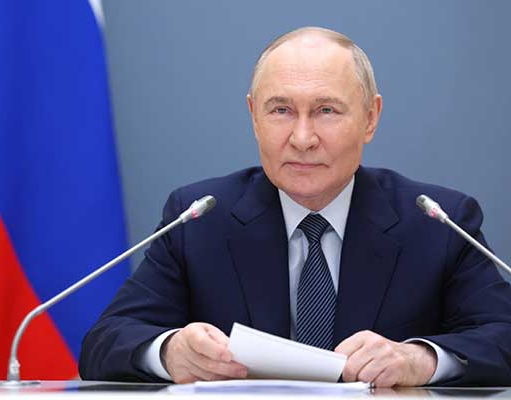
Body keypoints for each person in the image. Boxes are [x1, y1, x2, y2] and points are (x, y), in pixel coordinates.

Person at [79, 27, 511, 387]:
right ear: (254, 116)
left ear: (370, 118)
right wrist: (171, 352)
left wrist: (420, 360)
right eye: (281, 110)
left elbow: (504, 337)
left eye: (326, 110)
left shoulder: (437, 223)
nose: (302, 138)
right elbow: (105, 342)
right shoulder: (199, 219)